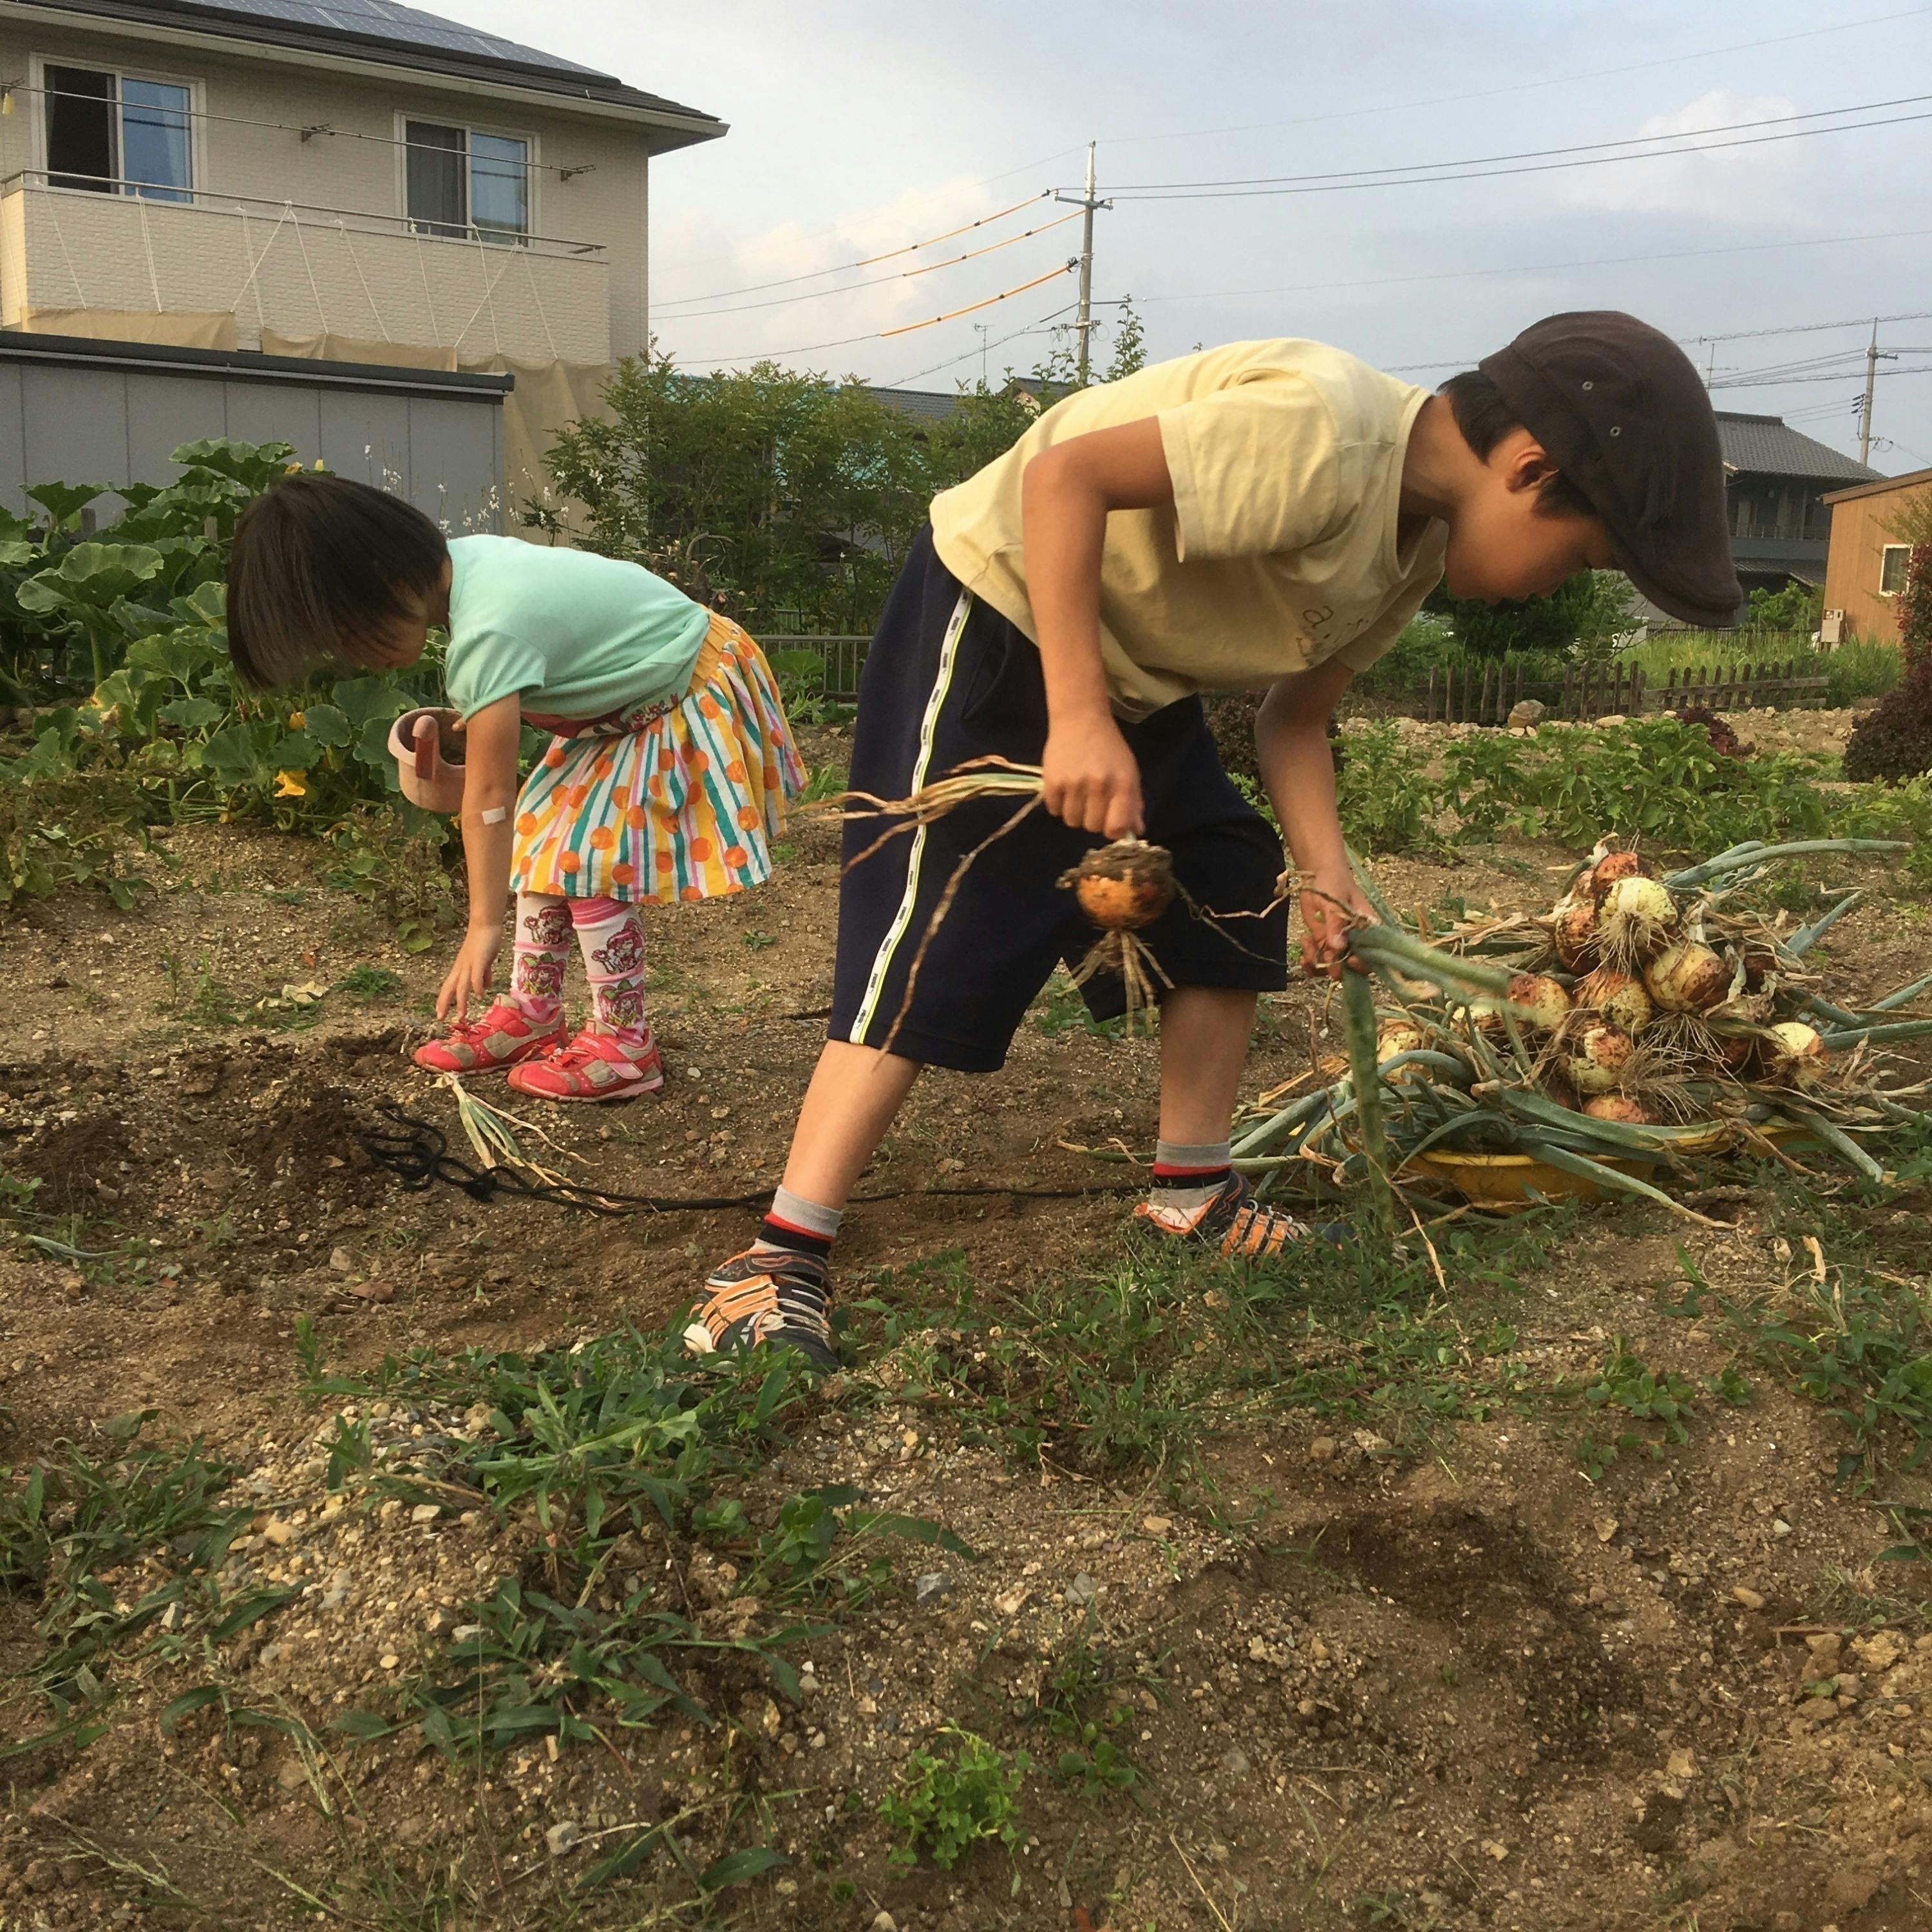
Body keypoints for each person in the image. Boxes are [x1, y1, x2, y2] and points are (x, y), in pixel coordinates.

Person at [683, 310, 1742, 1370]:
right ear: (1531, 467)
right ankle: (776, 1259)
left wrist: (1328, 873)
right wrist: (1076, 712)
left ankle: (1194, 1193)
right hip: (1002, 608)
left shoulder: (1414, 548)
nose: (1560, 582)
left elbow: (1293, 718)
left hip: (1129, 668)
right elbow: (1062, 481)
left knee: (1231, 884)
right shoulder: (1325, 433)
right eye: (1583, 554)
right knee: (936, 921)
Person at [225, 477, 802, 1100]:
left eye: (347, 635)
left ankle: (627, 1046)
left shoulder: (488, 632)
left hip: (682, 687)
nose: (354, 660)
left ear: (384, 577)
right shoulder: (465, 565)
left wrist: (482, 926)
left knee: (587, 859)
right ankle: (535, 1012)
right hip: (625, 699)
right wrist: (468, 728)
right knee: (541, 838)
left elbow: (490, 797)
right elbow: (548, 668)